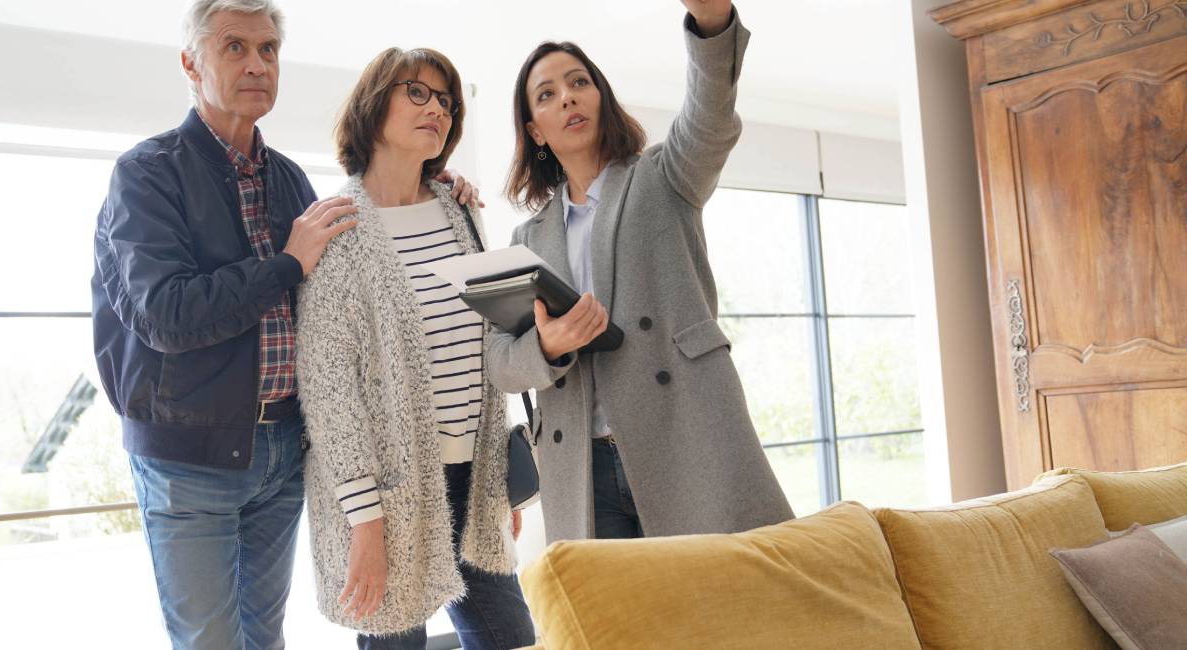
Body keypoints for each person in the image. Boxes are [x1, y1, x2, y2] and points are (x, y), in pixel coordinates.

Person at [90, 1, 478, 647]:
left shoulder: (290, 180)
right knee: (210, 640)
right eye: (235, 47)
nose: (256, 64)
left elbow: (344, 299)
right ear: (191, 62)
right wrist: (286, 263)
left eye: (269, 50)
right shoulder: (148, 173)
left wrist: (439, 183)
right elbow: (169, 316)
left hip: (281, 452)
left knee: (264, 637)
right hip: (190, 457)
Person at [484, 0, 795, 544]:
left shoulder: (664, 176)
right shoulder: (527, 240)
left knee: (725, 609)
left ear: (600, 97)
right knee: (620, 625)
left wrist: (711, 21)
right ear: (535, 131)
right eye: (547, 94)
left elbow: (711, 116)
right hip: (581, 465)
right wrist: (549, 346)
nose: (568, 97)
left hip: (685, 436)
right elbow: (500, 362)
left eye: (579, 82)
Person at [295, 46, 535, 649]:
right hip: (389, 500)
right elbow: (330, 393)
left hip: (473, 481)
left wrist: (498, 478)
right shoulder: (338, 226)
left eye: (447, 102)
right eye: (418, 93)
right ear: (375, 106)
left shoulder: (460, 213)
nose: (438, 110)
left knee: (515, 640)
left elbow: (486, 346)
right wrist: (366, 526)